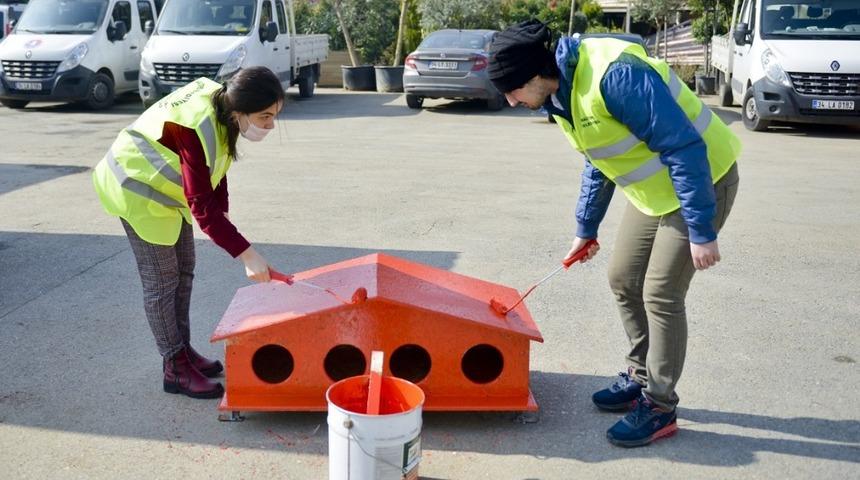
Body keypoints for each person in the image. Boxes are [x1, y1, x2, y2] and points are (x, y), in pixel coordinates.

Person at [487, 21, 740, 447]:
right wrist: (585, 229)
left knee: (661, 292)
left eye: (512, 91)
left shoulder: (614, 76)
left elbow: (682, 146)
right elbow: (599, 158)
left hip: (703, 180)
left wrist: (701, 229)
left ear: (534, 76)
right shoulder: (560, 95)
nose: (512, 102)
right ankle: (640, 377)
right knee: (622, 277)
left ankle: (660, 405)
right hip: (657, 193)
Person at [92, 67, 284, 399]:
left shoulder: (221, 105)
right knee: (162, 282)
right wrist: (247, 254)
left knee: (184, 270)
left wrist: (222, 211)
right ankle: (175, 368)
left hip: (164, 190)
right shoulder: (195, 125)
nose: (270, 125)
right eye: (264, 116)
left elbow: (216, 167)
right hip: (134, 187)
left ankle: (182, 351)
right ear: (240, 110)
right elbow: (201, 205)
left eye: (274, 116)